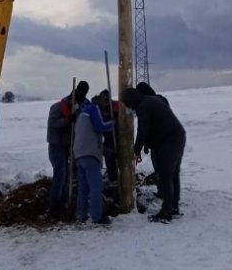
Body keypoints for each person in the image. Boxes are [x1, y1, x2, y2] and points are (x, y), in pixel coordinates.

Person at [121, 87, 186, 224]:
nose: (127, 108)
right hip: (176, 137)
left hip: (170, 141)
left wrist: (136, 150)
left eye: (126, 105)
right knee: (173, 174)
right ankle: (173, 208)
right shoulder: (150, 101)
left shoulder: (143, 106)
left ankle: (166, 212)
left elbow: (143, 130)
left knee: (166, 175)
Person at [46, 80, 88, 219]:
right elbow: (52, 124)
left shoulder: (80, 107)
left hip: (69, 146)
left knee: (70, 174)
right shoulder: (57, 108)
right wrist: (67, 120)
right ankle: (54, 208)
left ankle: (66, 199)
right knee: (60, 174)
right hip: (56, 146)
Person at [73, 93, 115, 224]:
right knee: (96, 186)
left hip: (79, 153)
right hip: (90, 154)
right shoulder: (94, 109)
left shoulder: (82, 113)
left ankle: (81, 214)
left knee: (83, 187)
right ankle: (97, 217)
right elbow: (99, 126)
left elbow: (89, 132)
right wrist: (112, 123)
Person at [95, 89, 119, 185]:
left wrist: (114, 119)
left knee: (119, 159)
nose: (104, 102)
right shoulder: (99, 108)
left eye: (106, 99)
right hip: (108, 138)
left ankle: (119, 178)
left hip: (118, 137)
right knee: (109, 157)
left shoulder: (115, 106)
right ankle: (112, 177)